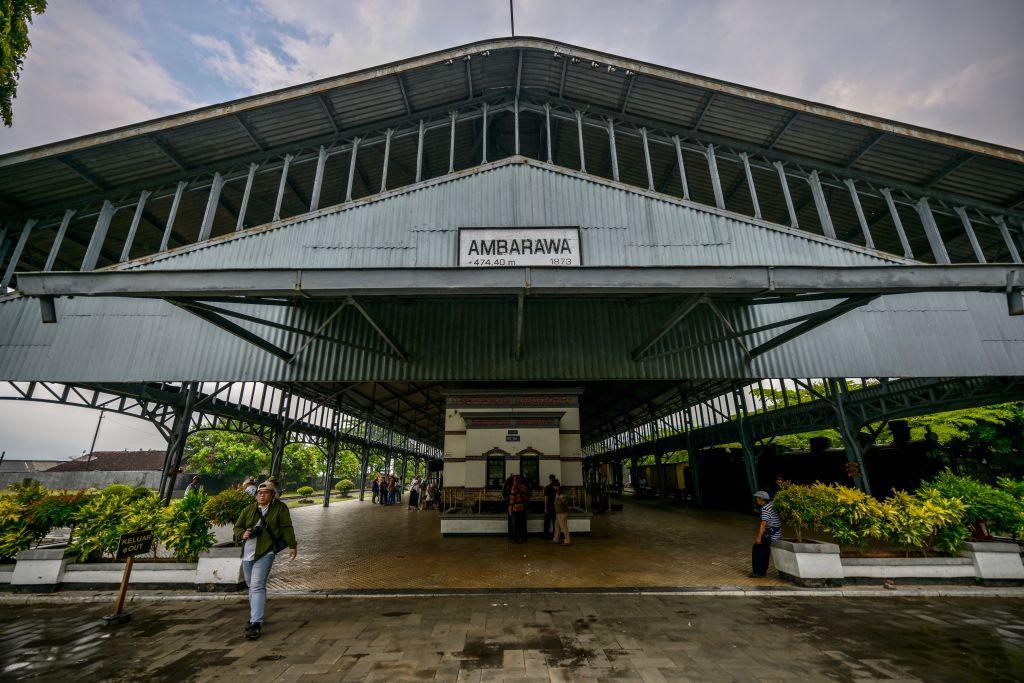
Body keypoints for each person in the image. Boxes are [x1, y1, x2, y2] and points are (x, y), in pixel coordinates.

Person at [233, 480, 297, 639]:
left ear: (272, 495)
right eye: (259, 493)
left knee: (257, 586)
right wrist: (243, 534)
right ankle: (255, 614)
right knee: (251, 585)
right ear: (256, 495)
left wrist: (292, 545)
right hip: (248, 553)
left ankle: (256, 622)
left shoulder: (279, 508)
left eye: (266, 493)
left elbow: (286, 527)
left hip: (265, 551)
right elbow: (237, 527)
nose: (262, 495)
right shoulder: (249, 510)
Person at [752, 490, 782, 578]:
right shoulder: (772, 505)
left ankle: (759, 572)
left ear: (761, 499)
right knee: (765, 551)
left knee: (758, 550)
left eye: (757, 498)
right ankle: (762, 571)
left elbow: (763, 524)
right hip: (776, 533)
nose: (756, 500)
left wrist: (759, 538)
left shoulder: (765, 509)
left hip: (770, 534)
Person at [509, 474, 529, 543]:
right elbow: (526, 498)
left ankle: (516, 539)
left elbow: (512, 499)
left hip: (516, 508)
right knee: (523, 524)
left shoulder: (514, 487)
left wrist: (510, 508)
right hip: (523, 508)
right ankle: (524, 538)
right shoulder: (524, 487)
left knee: (515, 525)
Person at [542, 475, 558, 540]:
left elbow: (546, 498)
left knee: (547, 522)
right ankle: (555, 535)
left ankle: (546, 535)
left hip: (549, 506)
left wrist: (545, 508)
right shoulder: (557, 487)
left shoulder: (547, 487)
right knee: (555, 522)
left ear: (549, 479)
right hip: (556, 507)